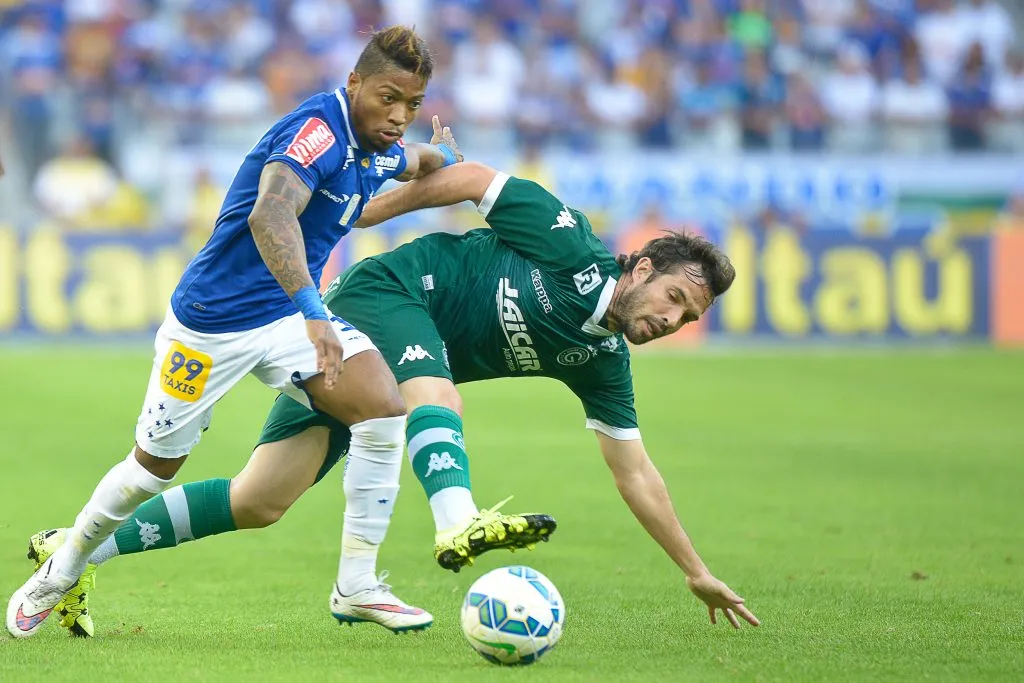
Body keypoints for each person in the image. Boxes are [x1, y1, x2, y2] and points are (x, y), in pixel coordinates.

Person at [33, 161, 760, 633]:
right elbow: (474, 180)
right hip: (384, 297)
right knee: (432, 389)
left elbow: (635, 470)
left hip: (382, 377)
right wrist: (366, 213)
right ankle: (457, 522)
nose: (670, 320)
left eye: (686, 318)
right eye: (672, 298)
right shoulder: (569, 244)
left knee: (260, 500)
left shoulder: (601, 359)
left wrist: (694, 570)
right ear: (644, 266)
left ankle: (69, 554)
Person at [6, 25, 505, 640]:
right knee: (149, 471)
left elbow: (413, 161)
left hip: (286, 318)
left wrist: (446, 157)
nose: (399, 115)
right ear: (353, 84)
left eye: (412, 103)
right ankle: (64, 565)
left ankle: (357, 584)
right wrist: (316, 311)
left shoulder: (379, 142)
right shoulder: (317, 131)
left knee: (382, 407)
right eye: (386, 98)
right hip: (210, 327)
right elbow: (269, 213)